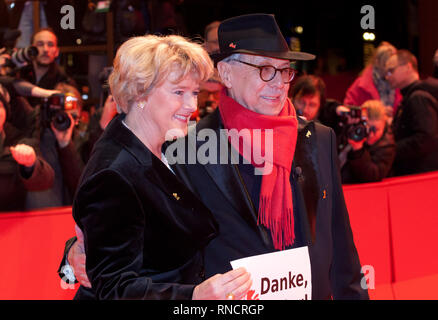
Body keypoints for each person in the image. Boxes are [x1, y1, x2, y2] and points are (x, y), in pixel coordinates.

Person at [61, 14, 368, 300]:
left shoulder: (319, 139)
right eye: (265, 69)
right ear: (226, 74)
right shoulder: (181, 145)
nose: (279, 83)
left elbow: (342, 249)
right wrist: (76, 250)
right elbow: (123, 217)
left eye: (285, 71)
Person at [68, 34, 252, 300]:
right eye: (178, 92)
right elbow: (114, 290)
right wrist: (194, 297)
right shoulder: (114, 174)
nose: (192, 106)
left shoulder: (166, 144)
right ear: (140, 93)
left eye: (195, 93)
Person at [0, 83, 54, 211]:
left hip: (11, 221)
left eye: (0, 105)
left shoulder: (20, 141)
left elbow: (45, 181)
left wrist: (31, 165)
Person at [385, 50, 438, 176]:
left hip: (420, 174)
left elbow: (425, 139)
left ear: (408, 67)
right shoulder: (412, 96)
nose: (387, 76)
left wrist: (389, 150)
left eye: (391, 71)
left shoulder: (418, 97)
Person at [340, 100, 396, 184]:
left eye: (375, 129)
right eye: (366, 127)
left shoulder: (387, 146)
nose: (370, 134)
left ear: (384, 124)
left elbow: (372, 176)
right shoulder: (351, 130)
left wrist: (358, 150)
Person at [17, 27, 76, 107]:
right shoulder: (19, 74)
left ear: (57, 51)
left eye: (50, 45)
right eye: (40, 44)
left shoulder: (64, 80)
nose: (45, 49)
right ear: (31, 49)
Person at [344, 42, 402, 119]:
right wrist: (376, 112)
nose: (389, 69)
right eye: (386, 64)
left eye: (393, 66)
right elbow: (348, 109)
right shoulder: (361, 84)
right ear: (377, 62)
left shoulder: (399, 82)